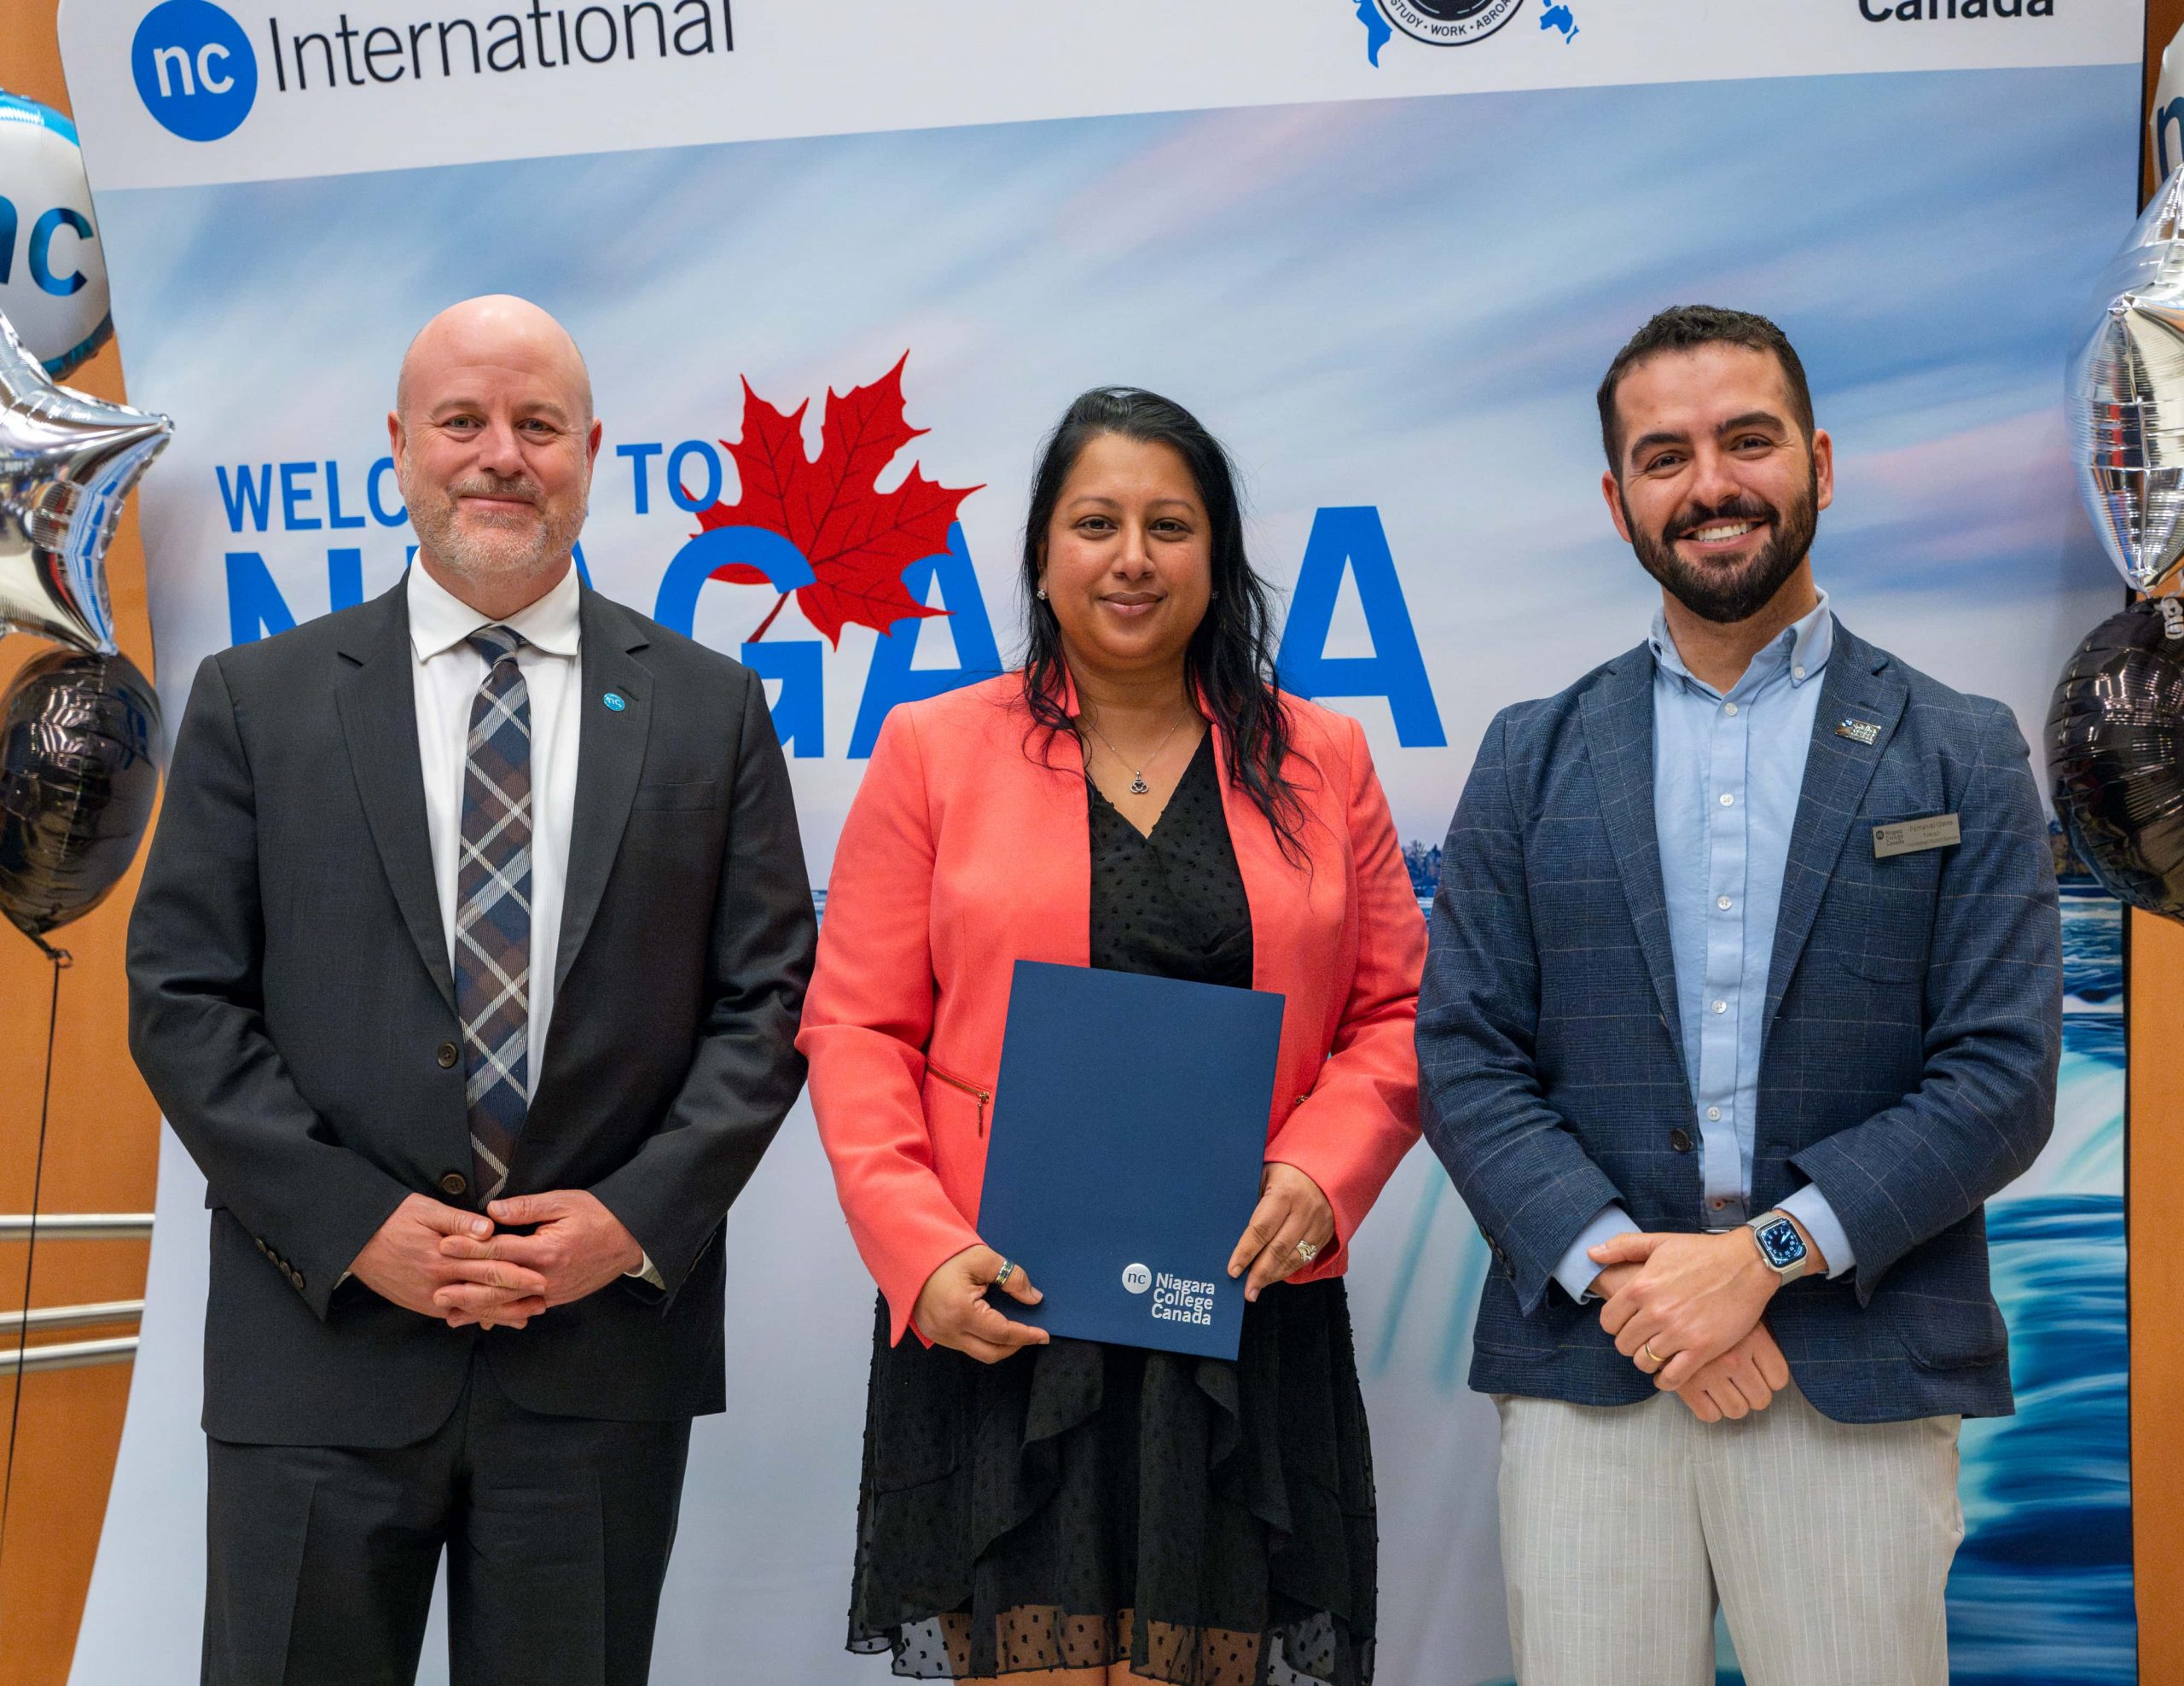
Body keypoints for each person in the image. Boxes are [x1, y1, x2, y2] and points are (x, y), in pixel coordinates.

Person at [126, 294, 816, 1686]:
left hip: (597, 1362)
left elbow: (769, 1008)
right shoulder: (257, 702)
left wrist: (626, 1223)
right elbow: (183, 998)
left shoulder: (709, 710)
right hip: (316, 1347)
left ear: (592, 450)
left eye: (537, 425)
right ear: (400, 445)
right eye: (463, 422)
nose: (500, 455)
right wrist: (355, 1223)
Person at [1415, 305, 2060, 1686]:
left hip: (1857, 1376)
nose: (1710, 484)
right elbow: (1466, 1055)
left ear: (1819, 458)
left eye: (1746, 440)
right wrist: (1637, 1285)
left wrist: (1754, 1265)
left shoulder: (1961, 749)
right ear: (1618, 499)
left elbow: (2000, 1080)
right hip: (1597, 1370)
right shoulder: (1530, 757)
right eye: (1665, 456)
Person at [800, 387, 1424, 1686]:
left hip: (1245, 1316)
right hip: (1007, 1314)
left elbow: (1398, 1014)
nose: (1132, 556)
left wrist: (1323, 1171)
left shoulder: (1325, 756)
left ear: (1218, 555)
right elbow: (855, 1025)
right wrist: (919, 1255)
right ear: (1040, 554)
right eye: (1096, 522)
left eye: (1168, 524)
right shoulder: (931, 750)